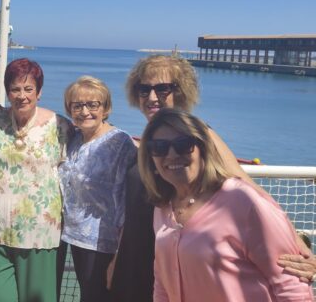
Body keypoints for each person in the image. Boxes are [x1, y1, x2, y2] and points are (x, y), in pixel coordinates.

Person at [110, 54, 314, 300]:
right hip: (152, 254)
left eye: (162, 89)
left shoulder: (199, 136)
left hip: (184, 256)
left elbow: (247, 189)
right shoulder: (149, 142)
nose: (152, 97)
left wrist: (297, 244)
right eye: (144, 89)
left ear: (181, 91)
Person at [139, 109, 312, 301]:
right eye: (159, 147)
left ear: (203, 148)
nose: (171, 154)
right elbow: (162, 283)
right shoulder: (163, 208)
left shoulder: (242, 201)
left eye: (183, 144)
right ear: (151, 158)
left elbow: (291, 286)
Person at [0, 58, 73, 302]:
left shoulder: (59, 126)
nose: (22, 96)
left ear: (39, 92)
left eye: (28, 89)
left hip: (39, 233)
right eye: (15, 89)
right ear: (7, 92)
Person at [58, 76, 136, 302]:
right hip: (72, 236)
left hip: (103, 243)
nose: (85, 111)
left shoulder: (119, 143)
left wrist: (119, 254)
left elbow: (127, 202)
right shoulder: (74, 139)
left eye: (93, 105)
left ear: (105, 107)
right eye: (77, 105)